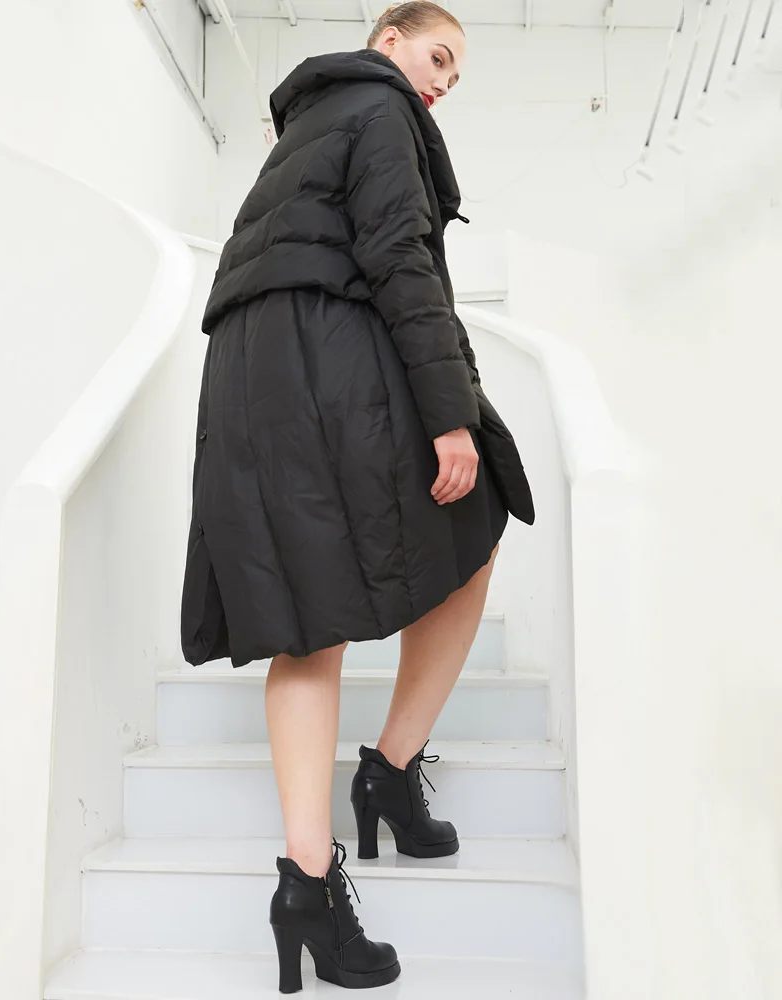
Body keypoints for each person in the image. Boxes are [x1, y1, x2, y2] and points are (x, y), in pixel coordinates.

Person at [180, 2, 535, 991]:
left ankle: (307, 886)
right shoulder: (381, 109)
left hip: (248, 378)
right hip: (326, 365)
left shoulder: (304, 124)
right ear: (388, 43)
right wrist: (450, 414)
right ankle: (389, 769)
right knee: (479, 515)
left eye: (455, 75)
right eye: (438, 57)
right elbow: (399, 255)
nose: (442, 82)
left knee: (305, 622)